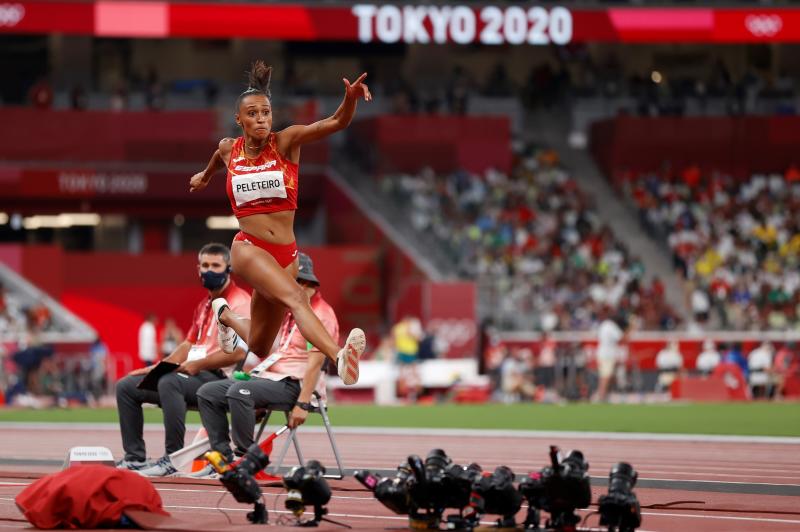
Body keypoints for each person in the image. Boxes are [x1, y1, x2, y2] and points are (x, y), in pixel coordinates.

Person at [188, 60, 369, 385]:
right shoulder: (231, 149)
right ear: (239, 119)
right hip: (248, 248)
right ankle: (338, 355)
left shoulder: (286, 142)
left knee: (259, 343)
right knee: (297, 298)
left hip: (286, 255)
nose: (261, 119)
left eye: (266, 113)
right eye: (253, 114)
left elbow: (336, 122)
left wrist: (350, 99)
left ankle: (224, 315)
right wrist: (205, 176)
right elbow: (219, 157)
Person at [115, 243, 251, 475]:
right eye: (205, 265)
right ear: (198, 269)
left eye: (216, 266)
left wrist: (197, 364)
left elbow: (239, 351)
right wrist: (159, 367)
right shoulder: (204, 305)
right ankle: (135, 457)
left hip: (220, 380)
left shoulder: (239, 301)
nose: (209, 271)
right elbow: (188, 344)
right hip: (193, 376)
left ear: (229, 268)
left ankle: (173, 460)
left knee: (170, 382)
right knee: (126, 386)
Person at [196, 252, 337, 467]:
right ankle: (224, 458)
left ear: (305, 282)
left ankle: (249, 460)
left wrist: (303, 403)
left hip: (296, 385)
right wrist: (253, 374)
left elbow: (315, 364)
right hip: (271, 379)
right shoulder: (289, 310)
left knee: (239, 392)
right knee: (208, 393)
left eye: (287, 283)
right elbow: (272, 349)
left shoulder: (320, 315)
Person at [593, 314, 628, 402]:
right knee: (606, 376)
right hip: (607, 355)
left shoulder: (603, 325)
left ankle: (605, 396)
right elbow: (622, 338)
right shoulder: (611, 326)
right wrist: (629, 330)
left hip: (602, 353)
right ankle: (601, 397)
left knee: (607, 376)